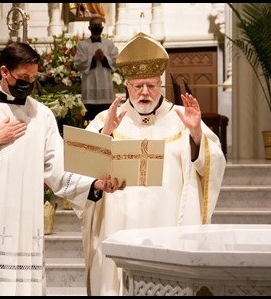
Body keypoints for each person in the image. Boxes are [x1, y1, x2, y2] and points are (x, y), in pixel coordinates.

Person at [0, 42, 125, 296]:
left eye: (33, 77)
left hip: (22, 226)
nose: (28, 83)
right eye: (23, 77)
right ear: (4, 72)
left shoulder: (42, 115)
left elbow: (59, 166)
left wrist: (93, 184)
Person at [78, 32, 227, 296]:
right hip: (118, 224)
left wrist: (195, 135)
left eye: (151, 85)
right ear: (127, 86)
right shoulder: (108, 118)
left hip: (167, 221)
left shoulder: (183, 117)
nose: (145, 92)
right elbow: (82, 172)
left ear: (161, 85)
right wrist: (107, 133)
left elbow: (212, 163)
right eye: (138, 86)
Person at [74, 16, 119, 122]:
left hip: (105, 86)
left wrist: (104, 58)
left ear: (102, 27)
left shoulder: (108, 44)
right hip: (89, 86)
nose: (97, 27)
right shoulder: (83, 45)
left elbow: (116, 61)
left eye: (99, 25)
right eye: (94, 25)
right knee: (90, 120)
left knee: (105, 120)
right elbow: (78, 63)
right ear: (89, 27)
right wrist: (93, 59)